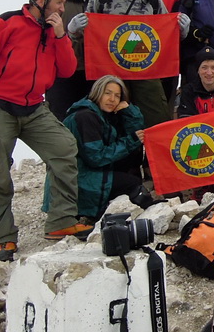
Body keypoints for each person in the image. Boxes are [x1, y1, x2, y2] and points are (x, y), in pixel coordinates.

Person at [0, 0, 91, 261]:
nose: (62, 8)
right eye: (59, 2)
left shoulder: (53, 31)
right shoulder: (6, 23)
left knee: (64, 148)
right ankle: (4, 238)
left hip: (34, 107)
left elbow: (67, 69)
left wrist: (61, 35)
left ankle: (60, 221)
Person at [68, 0, 171, 130]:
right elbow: (88, 37)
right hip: (110, 72)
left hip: (145, 71)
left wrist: (181, 31)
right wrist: (74, 31)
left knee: (156, 120)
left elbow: (165, 34)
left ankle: (150, 158)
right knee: (110, 123)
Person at [45, 75, 148, 226]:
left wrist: (128, 110)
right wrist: (130, 141)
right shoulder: (85, 117)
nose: (112, 99)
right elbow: (96, 157)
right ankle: (96, 213)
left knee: (132, 157)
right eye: (108, 93)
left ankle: (118, 209)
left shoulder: (101, 115)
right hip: (79, 178)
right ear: (97, 92)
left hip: (88, 171)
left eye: (117, 96)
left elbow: (136, 131)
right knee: (132, 183)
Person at [46, 0, 95, 121]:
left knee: (89, 122)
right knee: (61, 123)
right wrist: (68, 32)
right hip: (61, 73)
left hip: (91, 72)